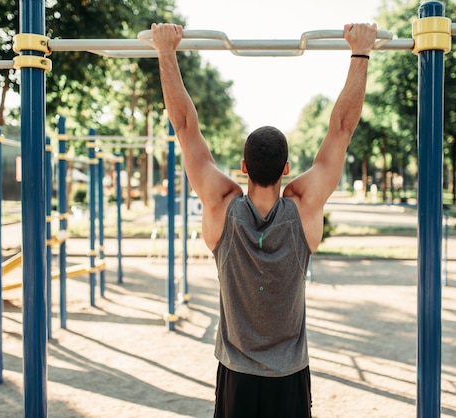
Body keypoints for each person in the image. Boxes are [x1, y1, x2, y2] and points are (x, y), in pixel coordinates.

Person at [152, 22, 377, 418]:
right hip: (289, 377)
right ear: (287, 168)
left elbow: (185, 127)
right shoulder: (303, 207)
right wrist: (360, 52)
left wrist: (166, 52)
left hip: (237, 376)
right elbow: (342, 129)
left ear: (243, 167)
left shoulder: (222, 204)